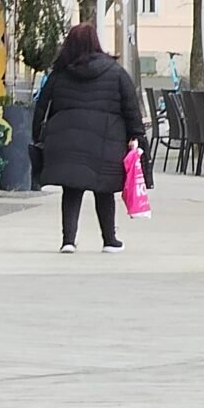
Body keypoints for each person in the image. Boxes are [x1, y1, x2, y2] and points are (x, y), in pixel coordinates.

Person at [32, 23, 150, 254]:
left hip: (67, 141)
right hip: (106, 140)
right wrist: (135, 134)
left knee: (71, 189)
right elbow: (130, 107)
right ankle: (110, 240)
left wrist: (38, 135)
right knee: (104, 190)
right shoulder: (115, 72)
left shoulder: (60, 74)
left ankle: (68, 241)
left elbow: (42, 106)